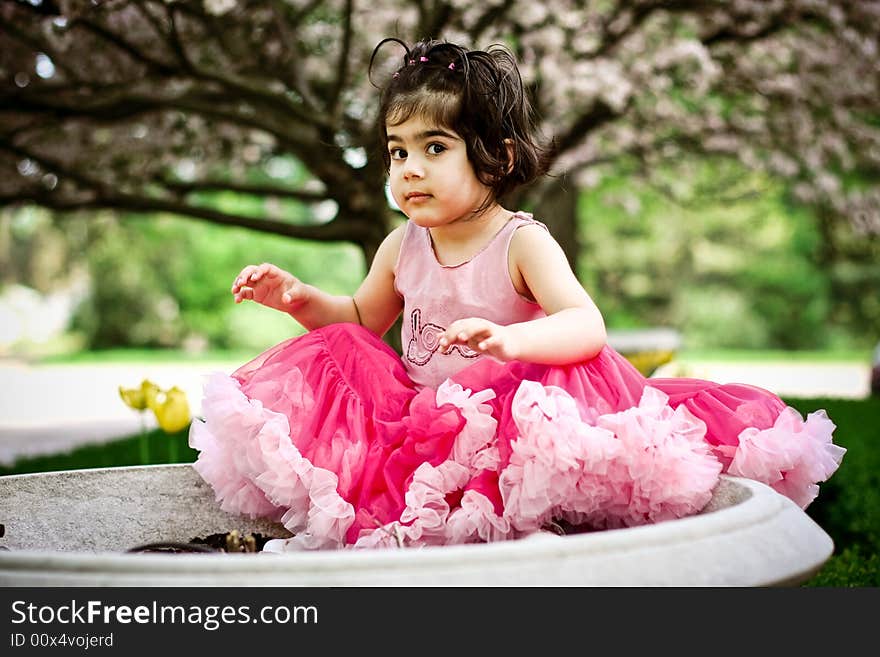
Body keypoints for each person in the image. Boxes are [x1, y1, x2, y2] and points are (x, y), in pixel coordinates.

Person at [189, 37, 845, 551]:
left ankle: (539, 525)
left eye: (434, 147)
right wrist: (298, 298)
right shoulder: (402, 245)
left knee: (551, 381)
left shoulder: (520, 244)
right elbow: (361, 321)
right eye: (396, 152)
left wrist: (510, 340)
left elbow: (586, 324)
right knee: (336, 346)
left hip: (510, 419)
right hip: (424, 422)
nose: (408, 168)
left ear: (495, 157)